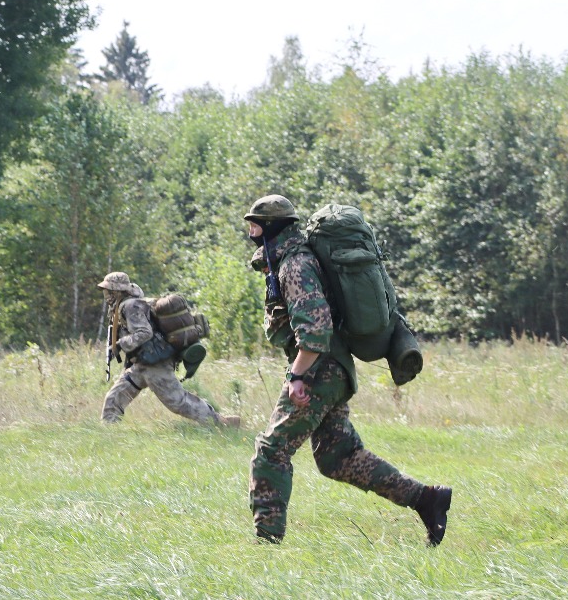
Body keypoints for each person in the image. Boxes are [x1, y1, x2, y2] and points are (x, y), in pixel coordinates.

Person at [243, 195, 452, 546]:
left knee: (271, 452)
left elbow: (316, 330)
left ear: (271, 227)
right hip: (333, 370)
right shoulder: (292, 259)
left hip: (318, 372)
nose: (250, 232)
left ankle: (266, 542)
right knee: (338, 457)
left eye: (255, 225)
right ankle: (427, 499)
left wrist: (297, 376)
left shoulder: (295, 265)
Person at [99, 271, 239, 428]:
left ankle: (220, 423)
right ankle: (109, 431)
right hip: (142, 364)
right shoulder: (127, 305)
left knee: (178, 402)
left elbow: (144, 332)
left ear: (118, 291)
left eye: (109, 291)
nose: (106, 295)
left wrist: (120, 344)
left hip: (155, 364)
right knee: (114, 398)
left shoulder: (131, 306)